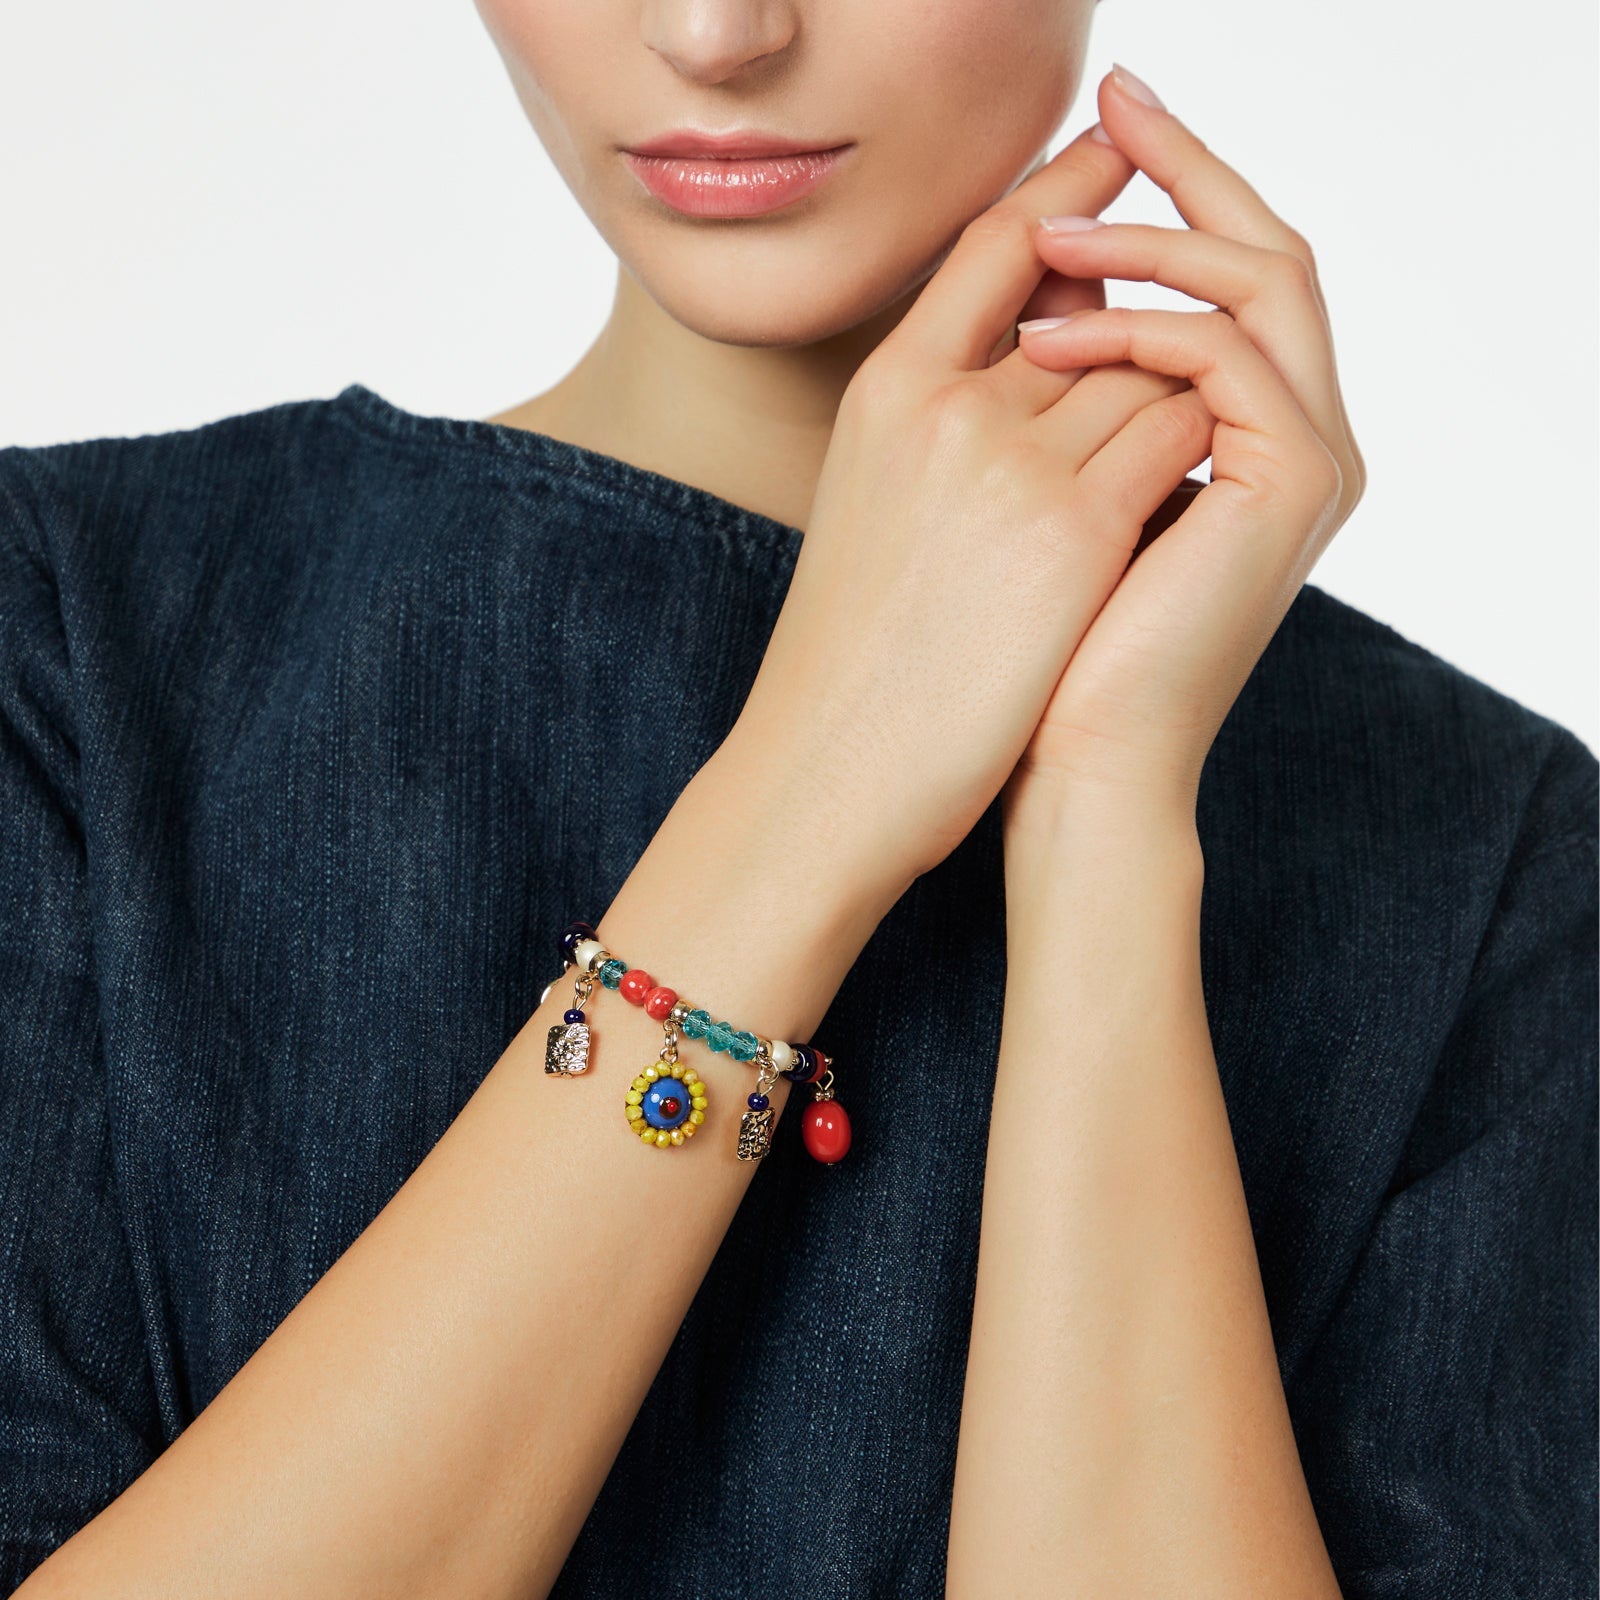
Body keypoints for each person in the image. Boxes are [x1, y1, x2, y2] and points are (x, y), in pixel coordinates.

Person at [0, 0, 1593, 1591]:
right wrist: (819, 781)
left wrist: (1105, 817)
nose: (714, 36)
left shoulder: (1491, 862)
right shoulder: (68, 637)